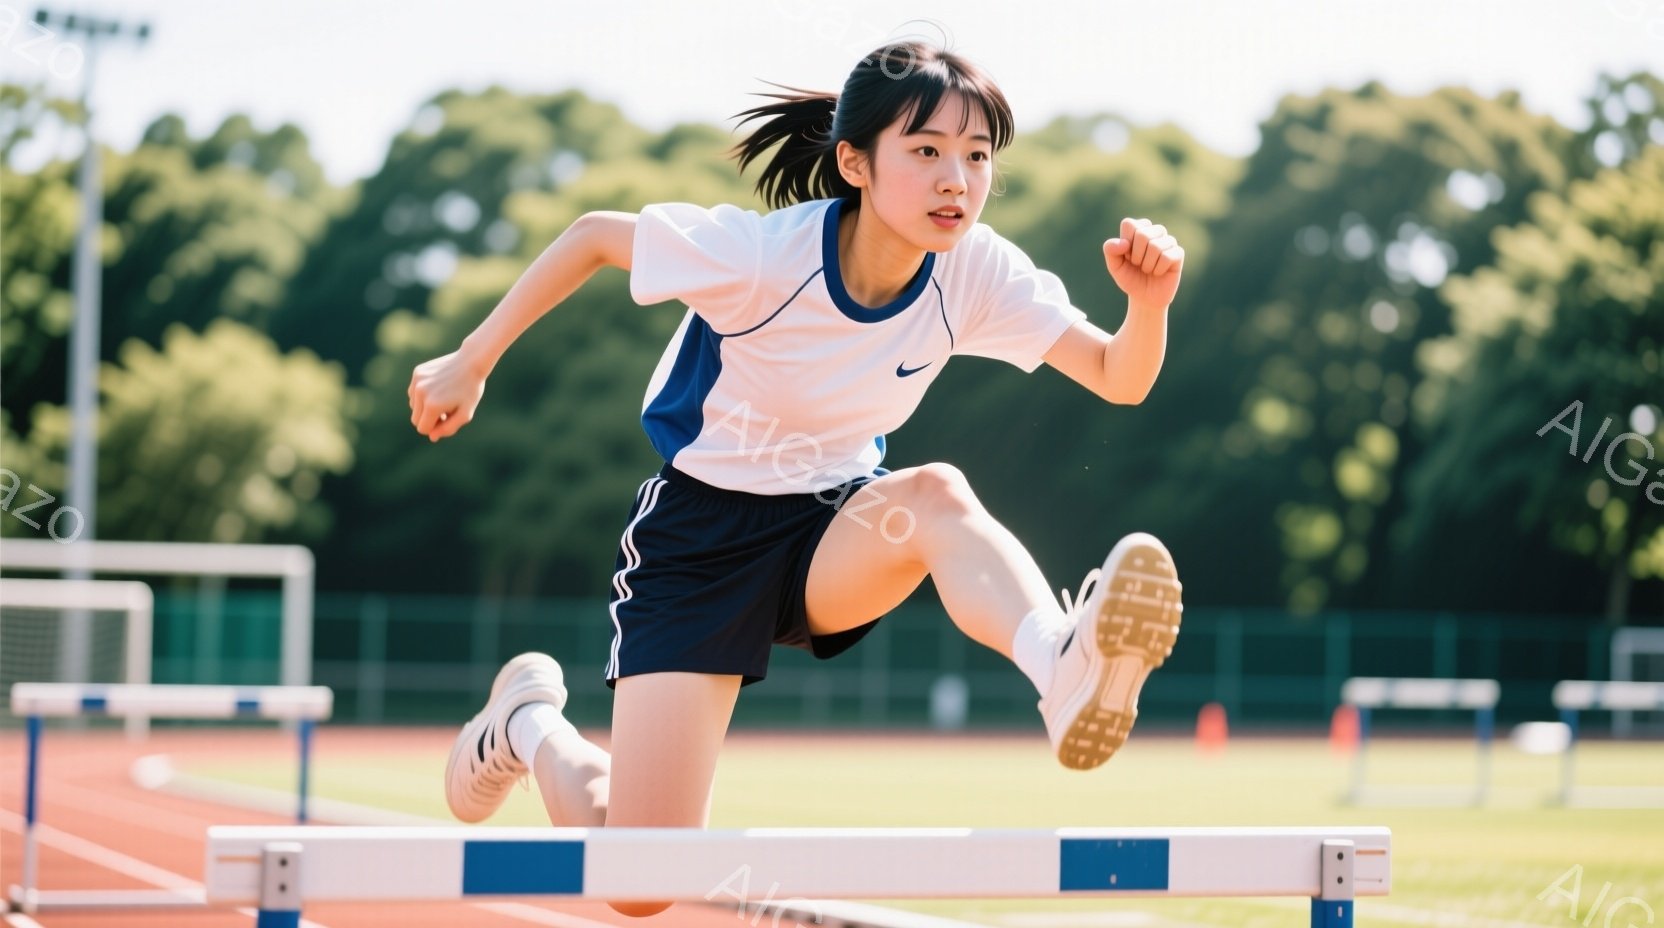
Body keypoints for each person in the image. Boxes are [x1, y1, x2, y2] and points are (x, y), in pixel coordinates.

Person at [406, 40, 1185, 916]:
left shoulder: (975, 271)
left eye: (976, 157)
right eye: (925, 151)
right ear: (854, 161)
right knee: (640, 888)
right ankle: (528, 725)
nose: (955, 181)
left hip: (833, 525)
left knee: (934, 494)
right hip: (699, 539)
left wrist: (1146, 307)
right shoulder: (761, 257)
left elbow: (1121, 376)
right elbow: (593, 238)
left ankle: (1064, 667)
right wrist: (469, 362)